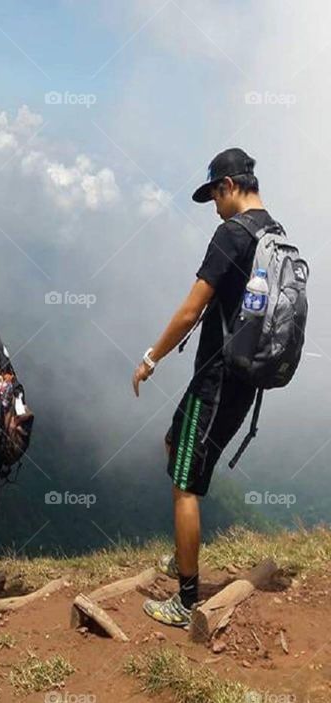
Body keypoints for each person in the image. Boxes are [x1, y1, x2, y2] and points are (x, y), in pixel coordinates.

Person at [133, 148, 274, 628]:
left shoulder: (231, 234)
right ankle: (183, 555)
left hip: (218, 379)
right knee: (176, 442)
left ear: (229, 185)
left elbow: (192, 309)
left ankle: (186, 598)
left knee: (185, 486)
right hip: (241, 376)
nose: (213, 204)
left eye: (214, 193)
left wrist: (151, 357)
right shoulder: (273, 233)